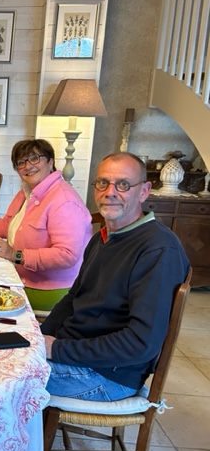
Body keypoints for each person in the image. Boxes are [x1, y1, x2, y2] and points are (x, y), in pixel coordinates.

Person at [41, 152, 190, 401]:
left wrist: (56, 349)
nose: (110, 192)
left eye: (123, 184)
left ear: (144, 191)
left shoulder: (159, 250)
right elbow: (73, 298)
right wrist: (40, 338)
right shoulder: (104, 237)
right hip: (77, 353)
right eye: (103, 183)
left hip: (108, 376)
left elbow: (140, 343)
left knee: (2, 376)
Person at [0, 139, 91, 311]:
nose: (27, 166)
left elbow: (66, 255)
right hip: (18, 273)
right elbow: (8, 224)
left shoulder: (64, 201)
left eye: (34, 159)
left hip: (49, 289)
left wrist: (16, 255)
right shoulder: (28, 192)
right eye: (21, 162)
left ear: (51, 161)